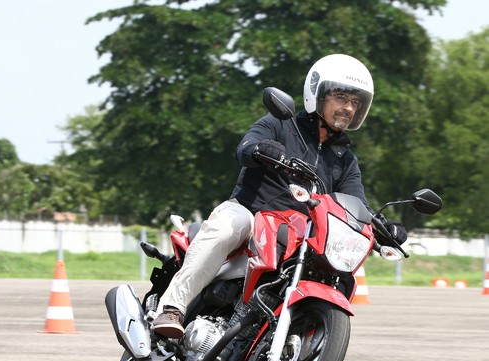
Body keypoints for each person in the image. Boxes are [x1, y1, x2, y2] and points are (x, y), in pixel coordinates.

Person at [151, 53, 407, 338]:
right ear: (318, 94)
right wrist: (261, 149)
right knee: (227, 228)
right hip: (250, 213)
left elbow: (357, 204)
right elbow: (245, 147)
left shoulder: (345, 160)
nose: (348, 107)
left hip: (296, 235)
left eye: (355, 102)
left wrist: (384, 227)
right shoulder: (280, 124)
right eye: (341, 97)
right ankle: (172, 308)